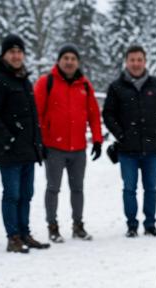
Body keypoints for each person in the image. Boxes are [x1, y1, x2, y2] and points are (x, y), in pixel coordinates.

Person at [0, 34, 50, 253]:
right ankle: (13, 237)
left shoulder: (24, 80)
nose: (16, 55)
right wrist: (8, 138)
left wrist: (38, 144)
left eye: (19, 52)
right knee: (12, 195)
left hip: (28, 150)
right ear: (4, 55)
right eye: (12, 52)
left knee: (26, 194)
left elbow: (32, 117)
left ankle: (24, 233)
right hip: (9, 150)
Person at [34, 44, 103, 242]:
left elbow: (93, 115)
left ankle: (78, 225)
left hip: (78, 148)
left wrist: (97, 140)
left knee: (78, 189)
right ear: (59, 61)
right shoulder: (45, 82)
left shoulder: (85, 85)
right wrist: (38, 141)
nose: (69, 61)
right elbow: (36, 113)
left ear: (78, 62)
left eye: (73, 58)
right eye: (66, 58)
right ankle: (52, 226)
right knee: (53, 188)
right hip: (53, 148)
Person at [102, 45, 156, 237]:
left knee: (151, 188)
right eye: (132, 60)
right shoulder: (116, 87)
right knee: (129, 189)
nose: (136, 63)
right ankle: (132, 225)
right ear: (126, 62)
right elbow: (108, 114)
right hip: (127, 150)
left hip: (151, 149)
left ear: (145, 61)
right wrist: (120, 134)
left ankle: (150, 224)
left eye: (139, 59)